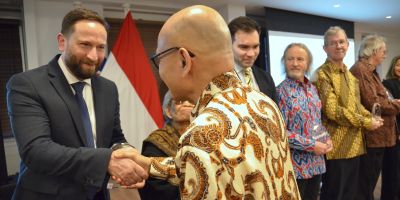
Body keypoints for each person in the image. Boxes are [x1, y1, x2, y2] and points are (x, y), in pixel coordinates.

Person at [115, 5, 300, 199]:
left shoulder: (201, 135)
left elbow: (205, 158)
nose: (159, 70)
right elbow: (218, 165)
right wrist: (149, 164)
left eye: (159, 59)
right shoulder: (264, 104)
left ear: (184, 60)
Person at [6, 8, 147, 200]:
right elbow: (36, 150)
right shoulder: (27, 84)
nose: (93, 56)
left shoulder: (108, 88)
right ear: (62, 42)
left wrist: (127, 157)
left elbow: (114, 136)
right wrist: (107, 161)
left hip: (98, 193)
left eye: (100, 47)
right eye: (85, 45)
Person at [314, 26, 383, 200]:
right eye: (333, 43)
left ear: (347, 45)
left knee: (350, 194)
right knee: (334, 194)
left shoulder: (350, 76)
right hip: (336, 147)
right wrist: (366, 122)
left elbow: (356, 105)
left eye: (342, 42)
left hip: (356, 145)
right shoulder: (322, 74)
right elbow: (332, 111)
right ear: (325, 48)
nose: (338, 46)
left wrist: (370, 117)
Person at [277, 43, 332, 200]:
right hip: (296, 168)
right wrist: (311, 145)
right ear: (284, 62)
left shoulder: (312, 89)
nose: (295, 63)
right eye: (290, 59)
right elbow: (281, 132)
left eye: (300, 59)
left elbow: (316, 122)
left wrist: (326, 137)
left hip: (316, 164)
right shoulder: (280, 92)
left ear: (307, 63)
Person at [351, 35, 400, 200]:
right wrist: (397, 105)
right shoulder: (361, 70)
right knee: (365, 185)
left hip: (380, 136)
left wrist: (392, 103)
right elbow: (373, 103)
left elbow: (381, 99)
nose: (385, 54)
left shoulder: (371, 72)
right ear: (373, 51)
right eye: (382, 50)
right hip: (372, 136)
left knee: (369, 183)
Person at [139, 91, 194, 200]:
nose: (187, 104)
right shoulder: (156, 142)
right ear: (168, 111)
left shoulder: (206, 139)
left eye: (192, 102)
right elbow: (157, 188)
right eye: (180, 101)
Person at [228, 16, 278, 104]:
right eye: (244, 47)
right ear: (229, 44)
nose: (251, 54)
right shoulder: (218, 79)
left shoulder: (266, 78)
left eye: (255, 46)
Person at [382, 55, 400, 200]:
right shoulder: (387, 83)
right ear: (393, 67)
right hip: (394, 132)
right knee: (393, 171)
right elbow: (390, 107)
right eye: (398, 65)